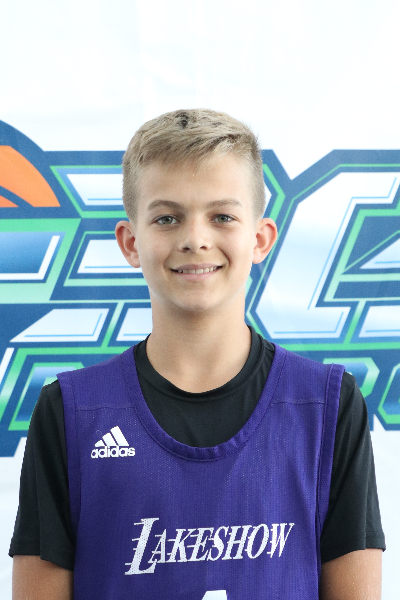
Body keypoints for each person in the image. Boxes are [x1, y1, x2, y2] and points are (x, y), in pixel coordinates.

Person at [10, 109, 385, 600]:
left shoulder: (327, 406)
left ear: (260, 239)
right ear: (130, 242)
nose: (195, 239)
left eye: (222, 216)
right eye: (167, 218)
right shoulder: (71, 411)